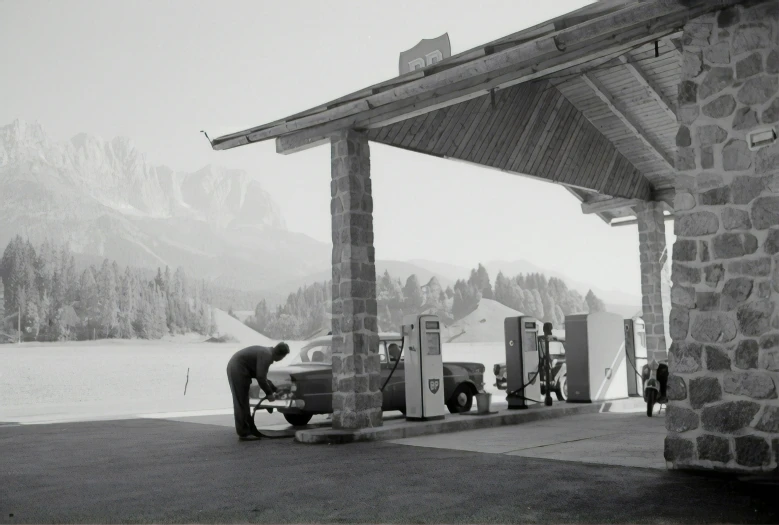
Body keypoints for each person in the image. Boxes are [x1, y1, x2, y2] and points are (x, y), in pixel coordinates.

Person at [226, 342, 290, 440]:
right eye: (283, 357)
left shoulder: (266, 352)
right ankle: (244, 433)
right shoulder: (266, 355)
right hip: (237, 369)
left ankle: (248, 429)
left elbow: (262, 376)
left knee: (244, 401)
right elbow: (260, 377)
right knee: (241, 402)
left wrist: (275, 389)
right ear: (281, 355)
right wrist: (269, 393)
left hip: (237, 367)